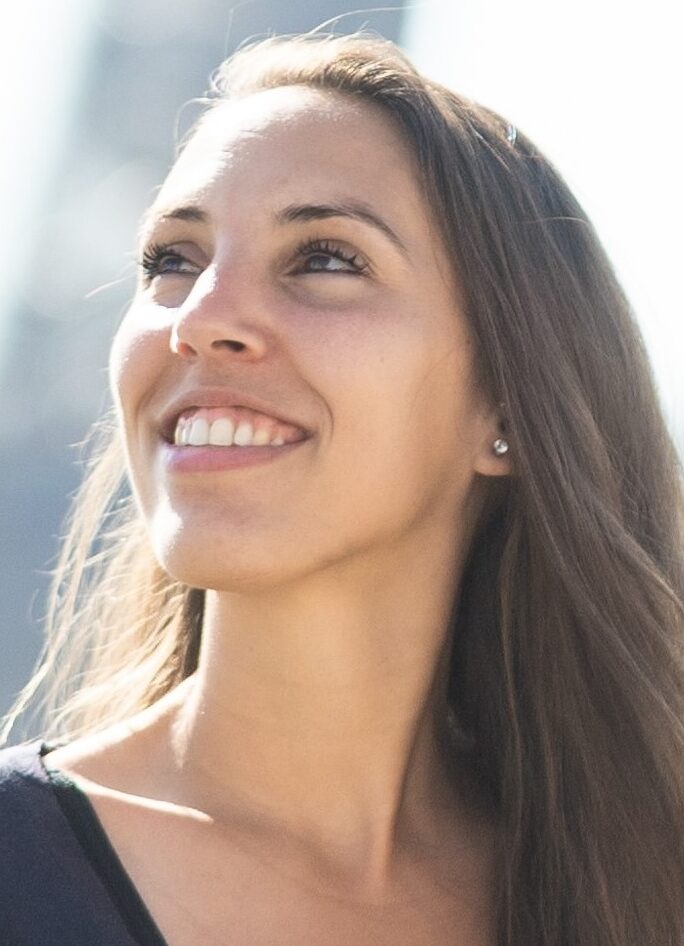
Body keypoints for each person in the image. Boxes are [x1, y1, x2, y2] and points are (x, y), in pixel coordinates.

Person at [1, 32, 682, 946]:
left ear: (508, 403)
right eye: (173, 259)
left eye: (325, 258)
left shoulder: (640, 884)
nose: (199, 320)